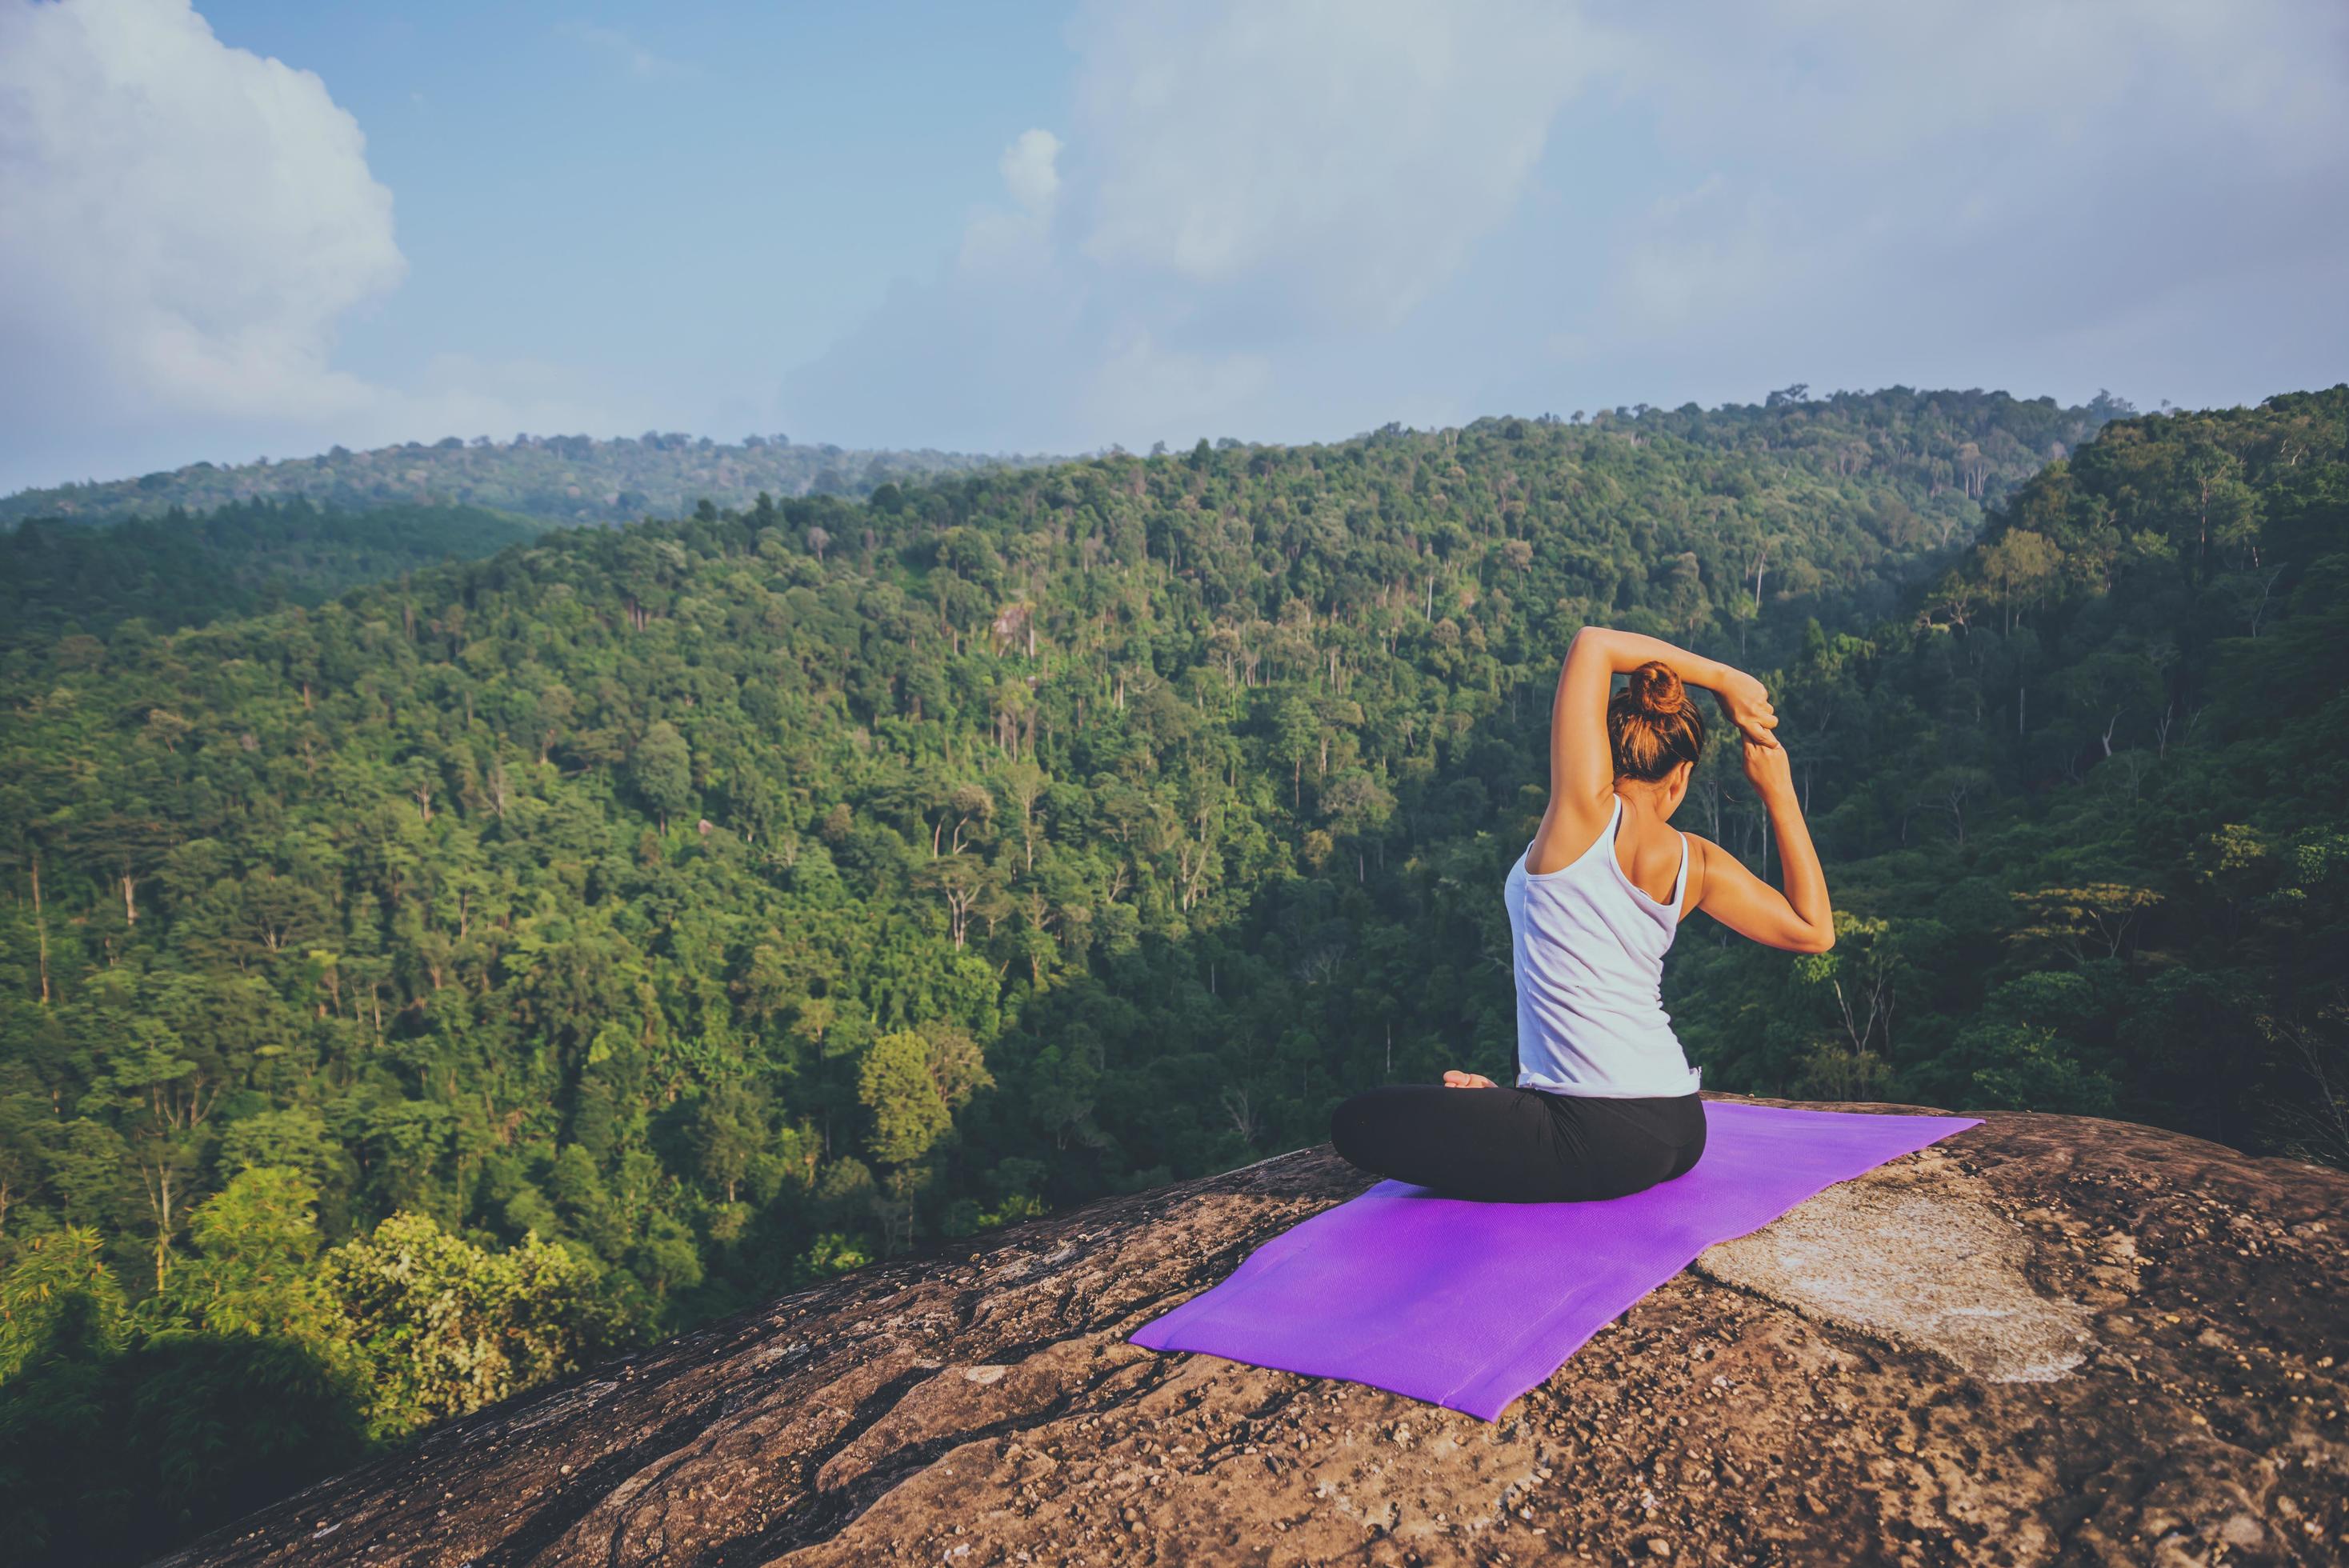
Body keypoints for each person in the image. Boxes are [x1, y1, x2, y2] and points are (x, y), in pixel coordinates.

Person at [1329, 626, 1835, 1202]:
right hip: (1679, 1123)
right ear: (1682, 776)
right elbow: (1814, 931)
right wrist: (1779, 790)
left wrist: (1726, 680)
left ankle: (1514, 1115)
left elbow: (1593, 644)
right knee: (1493, 1115)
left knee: (1358, 1122)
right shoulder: (1698, 861)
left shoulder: (1582, 816)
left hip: (1595, 1137)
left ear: (1606, 752)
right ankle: (1510, 1111)